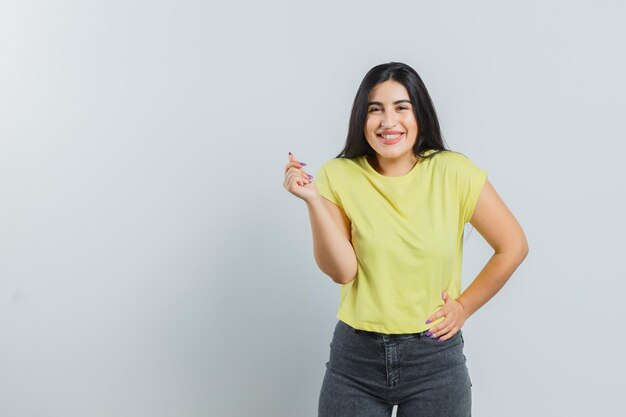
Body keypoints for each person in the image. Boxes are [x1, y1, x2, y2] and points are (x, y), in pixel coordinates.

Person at [283, 62, 528, 417]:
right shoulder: (338, 175)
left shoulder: (453, 171)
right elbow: (342, 271)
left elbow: (513, 246)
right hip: (355, 361)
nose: (388, 122)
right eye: (375, 109)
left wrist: (464, 307)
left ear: (420, 115)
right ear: (361, 118)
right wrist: (314, 202)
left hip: (434, 360)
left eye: (401, 107)